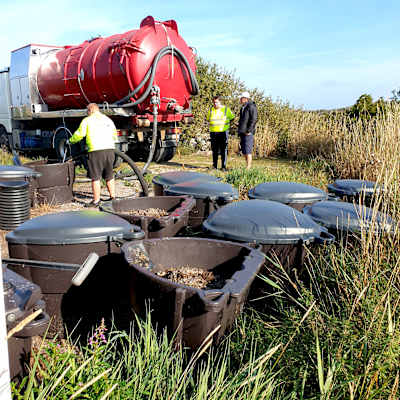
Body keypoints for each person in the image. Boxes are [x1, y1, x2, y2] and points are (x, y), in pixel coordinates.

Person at [68, 103, 117, 207]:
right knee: (109, 175)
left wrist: (70, 141)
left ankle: (96, 201)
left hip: (96, 151)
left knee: (96, 177)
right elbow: (114, 134)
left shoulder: (87, 120)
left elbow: (79, 134)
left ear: (90, 111)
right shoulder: (108, 119)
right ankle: (113, 197)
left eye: (87, 112)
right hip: (110, 150)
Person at [206, 95, 234, 171]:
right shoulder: (211, 110)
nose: (215, 104)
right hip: (213, 132)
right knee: (214, 150)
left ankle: (223, 166)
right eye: (214, 102)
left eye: (217, 102)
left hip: (223, 132)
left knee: (223, 150)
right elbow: (208, 119)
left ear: (220, 102)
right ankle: (214, 166)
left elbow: (232, 118)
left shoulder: (226, 109)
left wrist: (228, 128)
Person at [238, 91, 258, 169]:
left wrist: (249, 130)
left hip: (248, 133)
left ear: (245, 98)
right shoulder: (243, 107)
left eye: (241, 98)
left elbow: (254, 119)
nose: (240, 100)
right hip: (243, 132)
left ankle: (248, 168)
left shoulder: (251, 106)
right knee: (244, 150)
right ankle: (247, 166)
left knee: (248, 150)